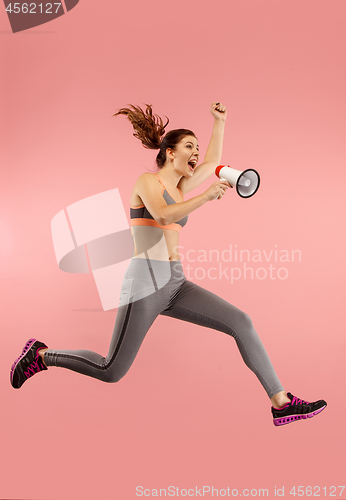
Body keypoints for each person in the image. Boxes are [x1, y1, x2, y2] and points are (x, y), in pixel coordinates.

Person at [10, 102, 327, 426]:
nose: (196, 153)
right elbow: (162, 215)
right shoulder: (148, 183)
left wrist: (219, 122)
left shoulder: (180, 188)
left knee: (240, 321)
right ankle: (41, 355)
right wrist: (205, 198)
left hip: (175, 283)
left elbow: (213, 163)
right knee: (111, 370)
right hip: (145, 283)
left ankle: (281, 402)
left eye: (197, 148)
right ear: (170, 153)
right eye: (189, 146)